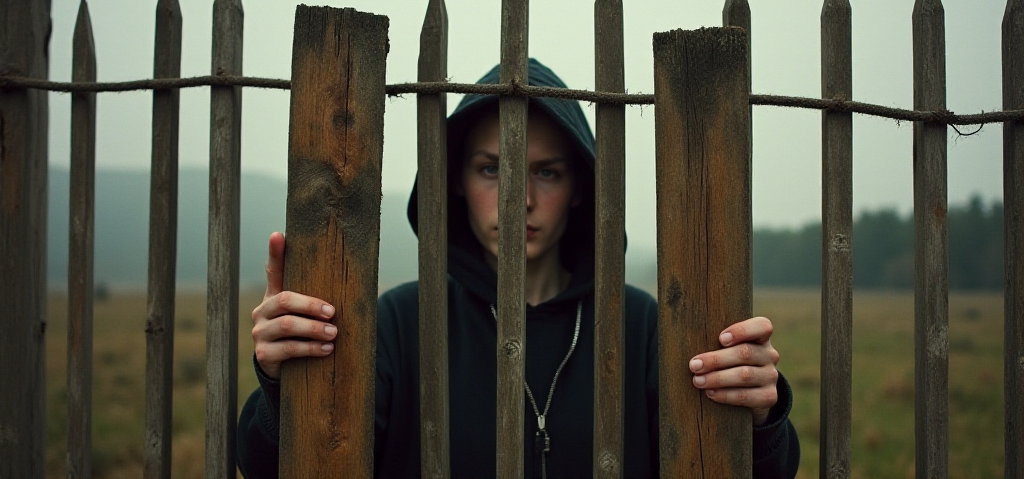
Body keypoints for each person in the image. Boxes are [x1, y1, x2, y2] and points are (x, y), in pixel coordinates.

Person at [237, 59, 800, 479]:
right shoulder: (400, 323)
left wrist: (760, 413)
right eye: (491, 169)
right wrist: (281, 384)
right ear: (455, 180)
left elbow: (753, 469)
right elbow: (271, 466)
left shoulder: (641, 324)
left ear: (581, 187)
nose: (518, 199)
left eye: (547, 173)